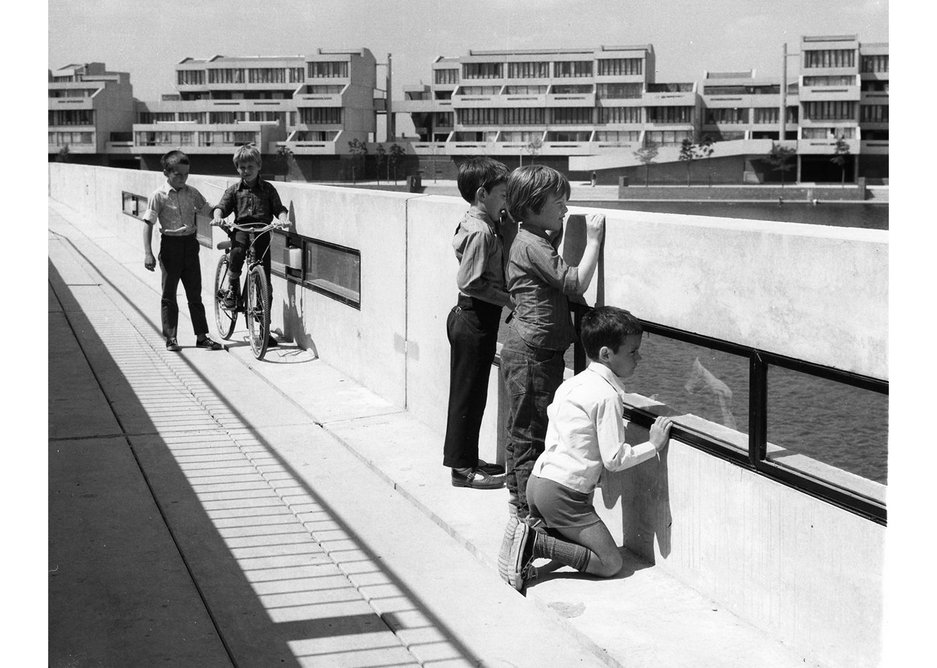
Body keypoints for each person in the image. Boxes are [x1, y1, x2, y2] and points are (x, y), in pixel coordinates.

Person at [501, 306, 673, 590]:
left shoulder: (574, 383)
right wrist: (652, 446)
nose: (639, 358)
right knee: (610, 563)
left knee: (580, 545)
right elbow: (614, 459)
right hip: (562, 494)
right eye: (632, 352)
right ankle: (535, 543)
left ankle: (531, 537)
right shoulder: (606, 396)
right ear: (606, 354)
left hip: (539, 482)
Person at [499, 164, 605, 523]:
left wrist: (556, 230)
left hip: (525, 343)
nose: (565, 209)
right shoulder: (533, 245)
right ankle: (532, 516)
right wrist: (592, 241)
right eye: (558, 203)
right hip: (534, 350)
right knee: (532, 433)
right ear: (532, 206)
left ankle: (518, 501)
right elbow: (574, 282)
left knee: (520, 428)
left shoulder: (528, 237)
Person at [443, 157, 512, 489]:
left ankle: (466, 458)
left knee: (471, 395)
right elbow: (469, 282)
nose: (507, 200)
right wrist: (509, 299)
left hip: (469, 318)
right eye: (502, 194)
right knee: (468, 397)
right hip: (474, 318)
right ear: (483, 194)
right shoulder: (482, 231)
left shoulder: (475, 220)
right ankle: (461, 470)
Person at [141, 150, 223, 352]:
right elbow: (148, 224)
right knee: (169, 294)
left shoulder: (192, 192)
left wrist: (222, 214)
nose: (183, 178)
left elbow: (208, 209)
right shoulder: (158, 196)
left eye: (186, 174)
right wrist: (148, 253)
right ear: (166, 173)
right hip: (170, 247)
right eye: (178, 174)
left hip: (190, 246)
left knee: (195, 293)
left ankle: (202, 337)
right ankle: (171, 337)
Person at [211, 143, 289, 347]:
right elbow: (221, 208)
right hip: (242, 229)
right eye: (242, 167)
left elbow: (280, 209)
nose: (246, 171)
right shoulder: (234, 190)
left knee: (267, 284)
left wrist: (283, 219)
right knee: (237, 252)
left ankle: (264, 331)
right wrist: (218, 217)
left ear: (259, 166)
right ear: (237, 168)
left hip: (262, 231)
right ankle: (233, 288)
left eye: (250, 167)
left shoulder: (268, 189)